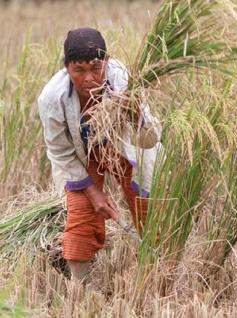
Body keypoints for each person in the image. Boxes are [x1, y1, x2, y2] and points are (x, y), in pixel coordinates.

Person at [37, 27, 163, 284]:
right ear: (67, 69)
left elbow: (150, 139)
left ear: (107, 62)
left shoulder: (123, 82)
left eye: (96, 68)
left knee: (147, 206)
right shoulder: (52, 98)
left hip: (120, 147)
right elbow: (60, 151)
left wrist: (136, 113)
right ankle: (79, 287)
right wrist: (93, 193)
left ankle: (158, 269)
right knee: (81, 214)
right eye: (79, 71)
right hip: (81, 157)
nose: (89, 78)